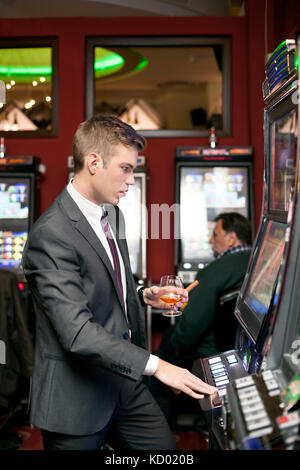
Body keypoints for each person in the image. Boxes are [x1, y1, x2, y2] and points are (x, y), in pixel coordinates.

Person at [22, 113, 217, 451]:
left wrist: (144, 294)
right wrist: (158, 367)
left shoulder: (112, 213)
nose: (131, 179)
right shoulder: (51, 234)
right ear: (94, 162)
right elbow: (78, 333)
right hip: (76, 395)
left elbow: (108, 281)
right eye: (126, 168)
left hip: (124, 380)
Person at [150, 212, 252, 420]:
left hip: (213, 350)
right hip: (247, 348)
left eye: (215, 234)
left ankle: (159, 441)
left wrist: (176, 344)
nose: (211, 240)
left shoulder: (216, 270)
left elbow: (191, 325)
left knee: (156, 377)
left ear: (231, 238)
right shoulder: (262, 259)